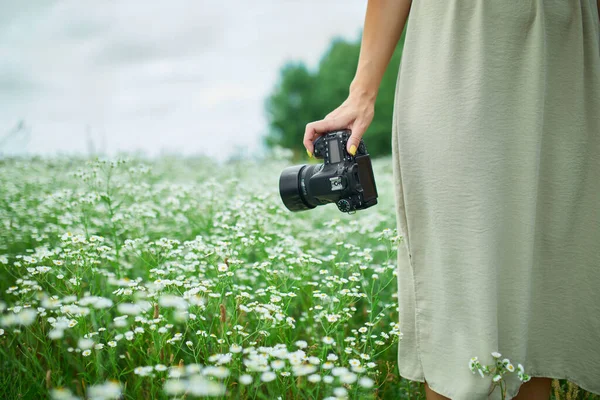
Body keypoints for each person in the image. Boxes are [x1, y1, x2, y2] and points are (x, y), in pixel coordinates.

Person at [303, 1, 600, 399]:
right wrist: (362, 93)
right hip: (461, 49)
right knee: (459, 304)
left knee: (537, 297)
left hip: (566, 56)